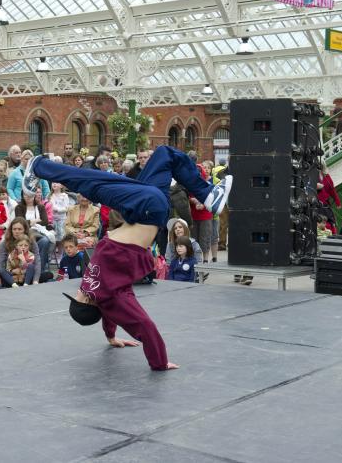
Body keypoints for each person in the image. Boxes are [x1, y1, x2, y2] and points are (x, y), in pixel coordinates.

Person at [23, 145, 232, 371]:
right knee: (92, 183)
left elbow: (108, 316)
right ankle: (39, 167)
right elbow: (143, 325)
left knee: (165, 155)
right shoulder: (110, 300)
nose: (78, 291)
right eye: (77, 297)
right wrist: (159, 362)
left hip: (143, 209)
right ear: (85, 303)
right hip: (147, 208)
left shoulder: (97, 293)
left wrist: (111, 338)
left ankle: (208, 195)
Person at [0, 218, 52, 288]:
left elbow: (37, 262)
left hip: (27, 274)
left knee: (48, 275)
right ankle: (14, 284)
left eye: (19, 229)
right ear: (11, 230)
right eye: (14, 229)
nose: (16, 231)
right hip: (12, 275)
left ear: (25, 230)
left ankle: (25, 283)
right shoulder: (5, 243)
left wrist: (35, 280)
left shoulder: (31, 242)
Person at [16, 191, 52, 272]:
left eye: (30, 195)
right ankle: (28, 268)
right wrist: (35, 221)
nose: (28, 197)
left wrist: (29, 222)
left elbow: (45, 222)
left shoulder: (40, 207)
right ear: (22, 195)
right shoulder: (19, 207)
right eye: (26, 195)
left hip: (39, 234)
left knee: (45, 241)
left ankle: (40, 270)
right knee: (29, 241)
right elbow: (20, 222)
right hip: (25, 235)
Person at [49, 182, 71, 253]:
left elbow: (66, 208)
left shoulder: (64, 196)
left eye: (57, 183)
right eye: (53, 182)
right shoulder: (50, 195)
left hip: (61, 220)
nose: (54, 184)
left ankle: (60, 254)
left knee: (61, 237)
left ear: (61, 186)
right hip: (53, 220)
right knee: (53, 237)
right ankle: (52, 255)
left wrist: (57, 209)